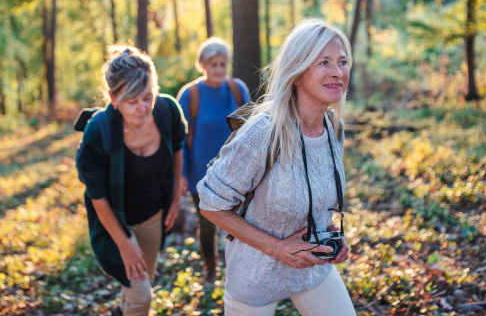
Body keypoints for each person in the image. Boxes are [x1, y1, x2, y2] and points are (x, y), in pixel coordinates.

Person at [197, 19, 357, 315]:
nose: (338, 72)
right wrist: (277, 247)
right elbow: (209, 203)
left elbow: (315, 192)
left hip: (313, 269)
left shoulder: (334, 127)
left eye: (342, 62)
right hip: (255, 278)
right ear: (297, 73)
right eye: (324, 62)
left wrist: (330, 231)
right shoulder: (262, 133)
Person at [76, 46, 187, 316]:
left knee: (139, 282)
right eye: (132, 101)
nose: (143, 108)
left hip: (153, 215)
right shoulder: (99, 131)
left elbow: (177, 152)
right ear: (114, 99)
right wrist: (125, 244)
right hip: (115, 221)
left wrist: (174, 202)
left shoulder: (167, 110)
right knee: (142, 297)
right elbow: (97, 196)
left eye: (148, 97)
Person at [177, 37, 250, 284]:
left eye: (222, 64)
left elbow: (252, 130)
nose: (219, 69)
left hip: (236, 171)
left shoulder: (238, 89)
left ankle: (238, 270)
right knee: (208, 224)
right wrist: (182, 174)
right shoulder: (190, 95)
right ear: (203, 65)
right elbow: (180, 139)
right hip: (202, 173)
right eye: (213, 64)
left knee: (240, 224)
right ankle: (210, 268)